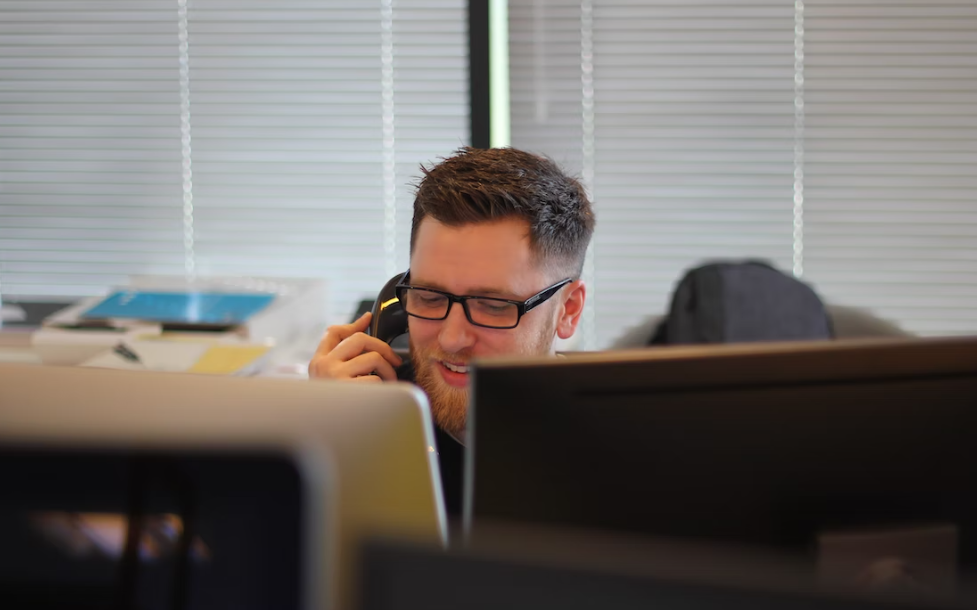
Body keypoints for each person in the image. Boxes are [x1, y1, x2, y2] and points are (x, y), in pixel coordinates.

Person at [308, 146, 595, 516]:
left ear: (568, 310)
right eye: (428, 296)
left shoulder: (621, 459)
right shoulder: (362, 416)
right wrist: (319, 436)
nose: (451, 338)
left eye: (493, 306)